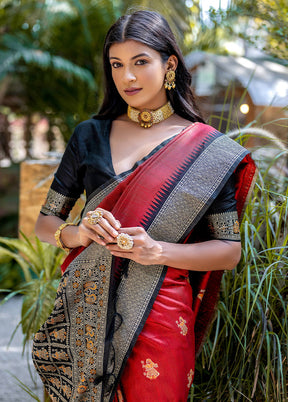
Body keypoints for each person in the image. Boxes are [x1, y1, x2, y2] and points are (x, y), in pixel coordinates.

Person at [32, 9, 257, 402]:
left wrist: (157, 251)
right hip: (84, 309)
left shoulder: (206, 149)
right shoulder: (90, 134)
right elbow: (46, 223)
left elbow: (229, 251)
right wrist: (78, 233)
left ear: (169, 64)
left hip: (161, 313)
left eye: (140, 62)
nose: (127, 77)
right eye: (116, 65)